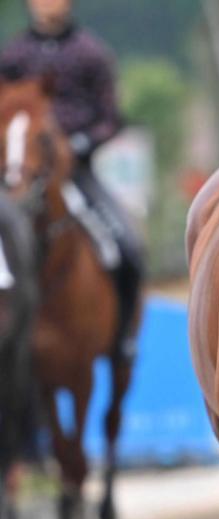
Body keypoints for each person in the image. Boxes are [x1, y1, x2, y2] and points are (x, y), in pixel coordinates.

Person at [0, 0, 144, 364]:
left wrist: (79, 145)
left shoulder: (92, 53)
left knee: (128, 246)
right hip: (22, 178)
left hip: (77, 172)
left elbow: (111, 117)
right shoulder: (14, 55)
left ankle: (122, 338)